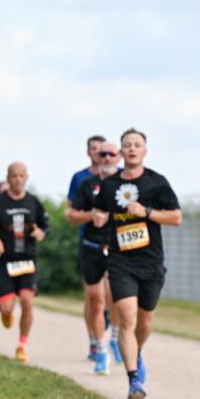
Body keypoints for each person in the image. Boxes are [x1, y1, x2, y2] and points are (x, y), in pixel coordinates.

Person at [93, 128, 182, 399]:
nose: (132, 149)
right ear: (121, 152)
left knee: (144, 320)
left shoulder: (157, 183)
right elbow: (99, 210)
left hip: (151, 261)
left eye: (137, 145)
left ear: (145, 151)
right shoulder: (109, 186)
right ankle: (134, 381)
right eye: (127, 145)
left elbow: (176, 217)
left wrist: (148, 212)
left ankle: (137, 352)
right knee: (127, 317)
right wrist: (98, 217)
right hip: (121, 261)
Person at [0, 162, 49, 362]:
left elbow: (45, 226)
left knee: (27, 301)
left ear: (26, 177)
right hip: (4, 262)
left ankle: (22, 345)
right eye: (14, 176)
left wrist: (41, 233)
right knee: (7, 309)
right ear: (8, 178)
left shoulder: (34, 202)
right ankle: (6, 312)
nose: (18, 179)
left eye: (21, 175)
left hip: (27, 260)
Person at [67, 140, 124, 374]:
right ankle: (100, 350)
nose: (107, 157)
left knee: (118, 298)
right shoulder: (86, 183)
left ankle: (115, 336)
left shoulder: (126, 184)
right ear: (96, 157)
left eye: (112, 153)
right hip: (91, 246)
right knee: (95, 300)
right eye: (103, 154)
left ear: (118, 156)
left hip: (119, 247)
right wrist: (91, 215)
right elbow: (71, 214)